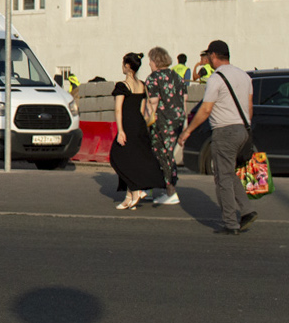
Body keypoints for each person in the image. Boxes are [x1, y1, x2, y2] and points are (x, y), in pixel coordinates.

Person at [178, 40, 256, 235]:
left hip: (224, 131)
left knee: (222, 177)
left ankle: (231, 223)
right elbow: (249, 108)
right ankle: (246, 211)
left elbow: (205, 109)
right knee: (230, 173)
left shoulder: (215, 78)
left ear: (213, 56)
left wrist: (188, 131)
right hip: (243, 130)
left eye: (208, 57)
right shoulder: (244, 76)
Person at [108, 52, 163, 210]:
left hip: (128, 124)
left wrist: (120, 130)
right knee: (133, 159)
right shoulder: (142, 85)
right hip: (139, 124)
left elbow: (118, 110)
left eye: (123, 64)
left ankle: (137, 188)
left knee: (117, 157)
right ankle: (129, 196)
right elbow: (143, 108)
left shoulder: (122, 86)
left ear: (127, 66)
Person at [144, 46, 189, 205]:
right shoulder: (177, 76)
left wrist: (146, 121)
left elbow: (153, 103)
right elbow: (184, 100)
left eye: (150, 60)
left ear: (156, 61)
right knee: (168, 152)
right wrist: (184, 125)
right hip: (177, 119)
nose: (149, 63)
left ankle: (170, 190)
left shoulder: (153, 78)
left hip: (163, 120)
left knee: (161, 153)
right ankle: (166, 187)